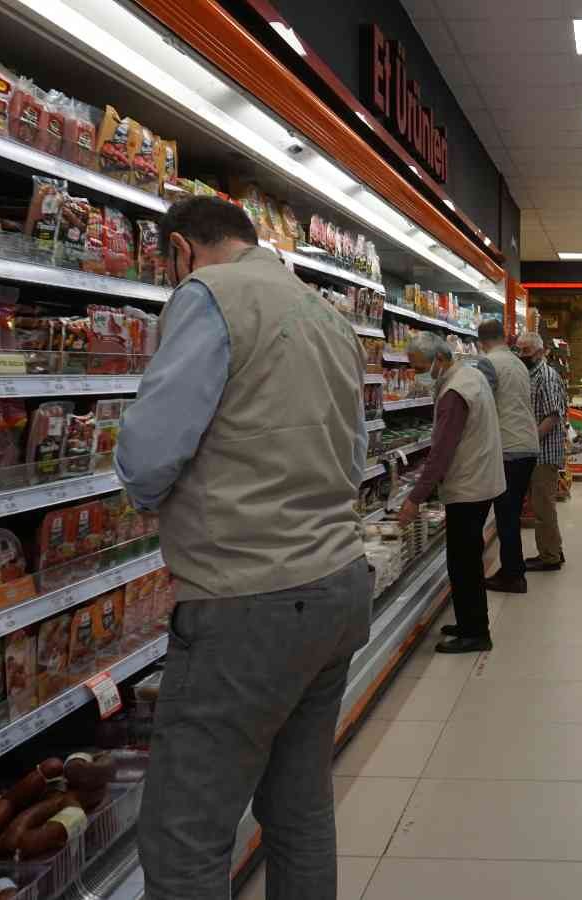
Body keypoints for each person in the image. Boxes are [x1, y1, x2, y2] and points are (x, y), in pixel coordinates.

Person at [117, 196, 370, 900]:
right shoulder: (326, 313)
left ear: (179, 249)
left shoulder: (209, 296)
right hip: (338, 581)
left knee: (184, 839)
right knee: (299, 812)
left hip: (246, 597)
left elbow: (148, 455)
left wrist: (146, 494)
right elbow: (354, 455)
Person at [403, 331, 505, 653]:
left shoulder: (454, 392)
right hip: (480, 480)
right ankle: (468, 622)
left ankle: (475, 633)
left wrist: (415, 498)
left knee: (464, 562)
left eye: (420, 367)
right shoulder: (470, 375)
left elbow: (441, 452)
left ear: (440, 359)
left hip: (468, 486)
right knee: (466, 558)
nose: (417, 374)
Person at [477, 320, 538, 594]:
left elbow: (483, 405)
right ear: (504, 337)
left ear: (481, 342)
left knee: (506, 517)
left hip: (508, 448)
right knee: (510, 514)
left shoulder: (488, 363)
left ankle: (513, 576)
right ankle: (513, 570)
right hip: (527, 444)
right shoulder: (518, 363)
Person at [518, 332, 567, 571]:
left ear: (539, 352)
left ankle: (549, 557)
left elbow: (552, 416)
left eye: (526, 351)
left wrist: (531, 440)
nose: (521, 355)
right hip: (538, 452)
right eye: (519, 350)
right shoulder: (533, 374)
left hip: (544, 453)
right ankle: (554, 549)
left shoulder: (546, 377)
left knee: (543, 506)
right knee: (542, 505)